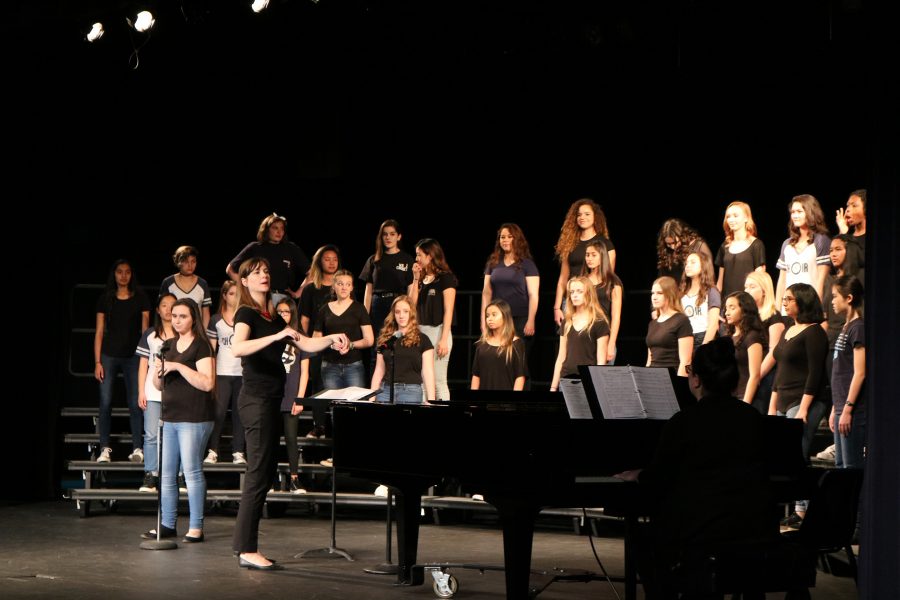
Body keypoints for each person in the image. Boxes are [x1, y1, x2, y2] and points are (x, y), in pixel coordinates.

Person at [617, 337, 775, 599]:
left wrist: (639, 475)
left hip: (702, 536)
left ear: (696, 380)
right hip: (752, 530)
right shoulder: (754, 419)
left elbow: (658, 480)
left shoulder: (683, 422)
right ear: (735, 381)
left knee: (641, 536)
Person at [230, 257, 349, 570]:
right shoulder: (247, 313)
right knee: (258, 473)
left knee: (266, 472)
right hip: (255, 400)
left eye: (266, 271)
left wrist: (331, 339)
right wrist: (276, 337)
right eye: (256, 273)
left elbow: (305, 343)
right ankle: (245, 548)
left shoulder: (272, 316)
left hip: (270, 400)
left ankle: (245, 546)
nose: (263, 276)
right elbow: (237, 348)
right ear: (244, 281)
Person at [141, 298, 215, 544]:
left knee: (192, 472)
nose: (177, 320)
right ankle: (167, 524)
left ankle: (196, 526)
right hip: (169, 416)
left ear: (193, 317)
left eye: (182, 316)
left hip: (194, 417)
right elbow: (158, 384)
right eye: (174, 316)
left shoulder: (202, 346)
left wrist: (178, 367)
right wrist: (159, 373)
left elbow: (207, 383)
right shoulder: (167, 345)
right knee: (166, 474)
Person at [94, 259, 151, 464]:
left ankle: (137, 448)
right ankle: (104, 449)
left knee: (136, 403)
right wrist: (97, 362)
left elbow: (145, 332)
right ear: (115, 274)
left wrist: (148, 358)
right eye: (120, 272)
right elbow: (99, 332)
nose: (124, 276)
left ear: (131, 275)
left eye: (127, 272)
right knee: (106, 402)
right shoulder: (106, 298)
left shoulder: (141, 298)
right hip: (108, 355)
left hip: (133, 356)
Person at [135, 292, 176, 492]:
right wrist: (141, 391)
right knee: (151, 435)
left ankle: (178, 475)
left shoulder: (183, 333)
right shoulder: (150, 334)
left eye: (172, 305)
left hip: (177, 391)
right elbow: (143, 364)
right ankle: (151, 475)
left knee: (176, 435)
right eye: (164, 305)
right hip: (152, 390)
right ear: (158, 310)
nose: (168, 309)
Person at [360, 220, 415, 367]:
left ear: (399, 236)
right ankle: (375, 388)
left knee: (398, 346)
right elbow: (368, 290)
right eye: (385, 234)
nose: (388, 237)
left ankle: (396, 385)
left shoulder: (407, 260)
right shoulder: (374, 259)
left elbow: (411, 290)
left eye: (392, 234)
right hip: (378, 305)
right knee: (377, 349)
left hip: (398, 305)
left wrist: (410, 313)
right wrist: (365, 315)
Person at [408, 239, 457, 400]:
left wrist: (444, 339)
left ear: (430, 256)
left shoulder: (445, 278)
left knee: (438, 381)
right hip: (421, 332)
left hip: (439, 332)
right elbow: (410, 305)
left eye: (419, 255)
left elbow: (449, 310)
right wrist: (415, 279)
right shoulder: (420, 279)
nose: (416, 259)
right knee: (422, 380)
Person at [553, 199, 615, 326]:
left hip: (595, 300)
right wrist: (557, 307)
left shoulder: (605, 244)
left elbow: (608, 278)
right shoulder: (569, 244)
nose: (582, 217)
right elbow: (563, 278)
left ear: (595, 217)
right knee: (570, 340)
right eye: (579, 214)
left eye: (587, 214)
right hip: (571, 299)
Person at [480, 223, 539, 357]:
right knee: (497, 358)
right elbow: (486, 293)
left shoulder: (527, 264)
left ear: (516, 239)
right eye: (502, 237)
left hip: (519, 319)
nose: (505, 240)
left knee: (517, 360)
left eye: (509, 237)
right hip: (497, 319)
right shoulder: (493, 263)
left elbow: (533, 294)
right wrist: (483, 321)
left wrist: (531, 320)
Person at [226, 213, 311, 305]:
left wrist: (297, 294)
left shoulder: (291, 248)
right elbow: (230, 269)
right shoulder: (255, 247)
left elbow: (312, 273)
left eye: (282, 228)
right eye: (275, 228)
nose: (279, 232)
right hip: (258, 298)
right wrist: (246, 288)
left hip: (283, 300)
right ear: (266, 230)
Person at [204, 281, 246, 465]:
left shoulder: (246, 317)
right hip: (222, 372)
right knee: (218, 413)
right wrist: (211, 376)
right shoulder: (216, 320)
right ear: (224, 295)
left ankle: (238, 451)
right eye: (231, 294)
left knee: (240, 413)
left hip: (242, 373)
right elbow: (211, 351)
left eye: (238, 294)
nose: (234, 297)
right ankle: (213, 451)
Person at [313, 269, 374, 389]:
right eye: (340, 284)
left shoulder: (359, 309)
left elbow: (369, 340)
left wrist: (350, 345)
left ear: (352, 288)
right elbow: (315, 339)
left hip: (354, 366)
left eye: (348, 284)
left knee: (355, 405)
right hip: (330, 366)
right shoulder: (325, 309)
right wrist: (330, 344)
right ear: (334, 286)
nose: (344, 287)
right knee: (332, 405)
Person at [370, 295, 436, 404]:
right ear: (393, 314)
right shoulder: (386, 339)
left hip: (410, 392)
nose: (401, 315)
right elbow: (379, 370)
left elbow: (428, 371)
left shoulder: (422, 339)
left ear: (412, 313)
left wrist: (431, 400)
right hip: (385, 391)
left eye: (406, 311)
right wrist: (371, 398)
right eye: (397, 312)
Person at [829, 275, 866, 469]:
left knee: (851, 467)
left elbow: (859, 373)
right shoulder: (846, 327)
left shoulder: (858, 328)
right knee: (841, 465)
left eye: (835, 296)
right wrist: (835, 409)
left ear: (849, 298)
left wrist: (847, 409)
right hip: (840, 408)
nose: (832, 301)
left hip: (852, 410)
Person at [549, 277, 609, 392]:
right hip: (566, 379)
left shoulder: (599, 322)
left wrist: (598, 386)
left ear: (589, 293)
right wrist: (553, 386)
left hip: (587, 380)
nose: (574, 295)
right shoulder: (567, 321)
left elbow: (601, 360)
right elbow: (561, 356)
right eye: (572, 292)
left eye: (579, 291)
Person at [276, 298, 310, 494]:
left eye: (286, 312)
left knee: (291, 439)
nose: (283, 315)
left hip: (291, 396)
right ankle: (271, 479)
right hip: (273, 395)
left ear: (292, 314)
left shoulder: (300, 336)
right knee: (270, 440)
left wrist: (300, 398)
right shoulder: (271, 335)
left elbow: (305, 372)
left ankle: (294, 479)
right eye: (279, 311)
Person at [775, 194, 831, 310]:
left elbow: (821, 280)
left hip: (809, 307)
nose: (795, 215)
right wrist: (778, 309)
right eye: (793, 212)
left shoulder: (821, 240)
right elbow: (782, 280)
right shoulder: (787, 244)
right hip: (788, 307)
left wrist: (817, 308)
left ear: (811, 212)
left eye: (799, 211)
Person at [744, 271, 788, 415]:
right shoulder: (748, 317)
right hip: (749, 375)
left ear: (764, 291)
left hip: (764, 376)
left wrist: (757, 375)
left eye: (752, 287)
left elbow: (773, 351)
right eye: (746, 287)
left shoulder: (773, 317)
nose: (747, 291)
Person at [471, 299, 527, 391]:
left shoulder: (515, 343)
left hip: (505, 402)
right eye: (487, 316)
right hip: (483, 403)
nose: (490, 319)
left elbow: (520, 376)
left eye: (494, 314)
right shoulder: (482, 344)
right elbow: (476, 375)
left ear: (505, 316)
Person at [582, 240, 622, 364]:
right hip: (584, 334)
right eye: (587, 255)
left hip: (603, 334)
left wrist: (611, 343)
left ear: (602, 256)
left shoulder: (613, 282)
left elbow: (616, 316)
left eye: (594, 255)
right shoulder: (582, 281)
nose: (589, 258)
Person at [715, 201, 766, 297]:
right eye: (728, 216)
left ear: (746, 218)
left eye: (735, 215)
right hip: (727, 302)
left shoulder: (756, 245)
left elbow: (760, 280)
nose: (731, 219)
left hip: (747, 301)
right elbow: (720, 283)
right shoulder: (724, 246)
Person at [723, 291, 766, 405]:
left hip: (745, 398)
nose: (727, 312)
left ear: (744, 310)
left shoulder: (752, 336)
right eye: (726, 308)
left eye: (732, 308)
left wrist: (745, 405)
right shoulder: (728, 337)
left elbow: (755, 375)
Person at [646, 276, 693, 377]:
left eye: (659, 293)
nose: (654, 297)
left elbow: (686, 360)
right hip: (653, 377)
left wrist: (678, 385)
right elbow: (650, 358)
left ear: (670, 294)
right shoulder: (652, 324)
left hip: (671, 377)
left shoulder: (681, 321)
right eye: (653, 293)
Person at [159, 245, 212, 328]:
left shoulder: (202, 284)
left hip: (196, 333)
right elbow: (162, 310)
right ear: (178, 262)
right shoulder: (168, 283)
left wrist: (204, 336)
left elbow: (205, 313)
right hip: (173, 331)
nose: (190, 265)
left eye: (193, 261)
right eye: (186, 261)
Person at [680, 251, 721, 349]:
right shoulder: (682, 293)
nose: (688, 265)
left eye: (693, 262)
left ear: (703, 266)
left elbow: (713, 325)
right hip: (685, 339)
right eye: (686, 263)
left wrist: (704, 348)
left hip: (703, 337)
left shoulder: (711, 291)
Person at [656, 218, 713, 284]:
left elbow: (709, 274)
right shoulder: (666, 249)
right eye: (669, 244)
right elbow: (662, 275)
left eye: (675, 242)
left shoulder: (699, 246)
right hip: (672, 291)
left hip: (693, 290)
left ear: (682, 236)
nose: (673, 247)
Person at [835, 188, 867, 262]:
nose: (848, 209)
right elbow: (836, 262)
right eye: (848, 206)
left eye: (854, 206)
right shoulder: (847, 237)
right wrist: (842, 233)